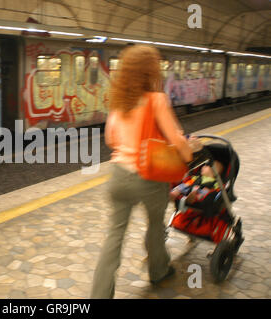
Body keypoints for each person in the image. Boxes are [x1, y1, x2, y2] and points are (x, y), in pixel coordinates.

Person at [90, 45, 202, 299]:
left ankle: (99, 295)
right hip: (148, 177)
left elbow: (111, 138)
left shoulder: (119, 99)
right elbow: (174, 137)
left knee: (114, 237)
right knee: (154, 226)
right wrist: (189, 151)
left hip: (119, 175)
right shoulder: (156, 99)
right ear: (150, 70)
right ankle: (158, 271)